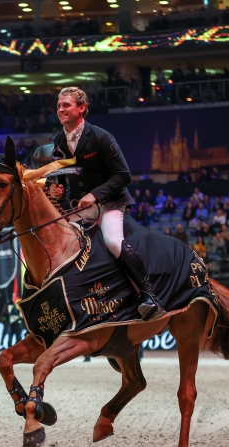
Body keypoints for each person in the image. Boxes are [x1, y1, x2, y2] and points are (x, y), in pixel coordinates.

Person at [47, 86, 162, 320]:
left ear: (82, 108)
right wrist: (55, 189)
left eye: (66, 105)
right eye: (58, 105)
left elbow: (123, 175)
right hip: (81, 206)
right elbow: (58, 175)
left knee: (112, 241)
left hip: (110, 202)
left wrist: (95, 195)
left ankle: (148, 294)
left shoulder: (101, 137)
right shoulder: (58, 140)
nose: (60, 109)